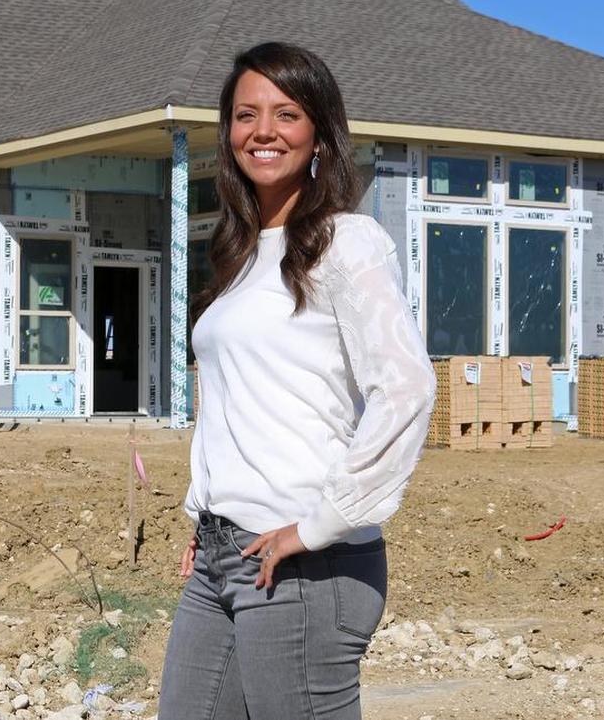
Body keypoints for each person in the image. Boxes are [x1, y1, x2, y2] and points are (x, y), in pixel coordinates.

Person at [158, 42, 435, 720]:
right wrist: (205, 507)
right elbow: (238, 400)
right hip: (227, 554)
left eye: (287, 114)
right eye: (246, 114)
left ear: (318, 135)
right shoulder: (241, 254)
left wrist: (322, 522)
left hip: (307, 567)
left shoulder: (345, 242)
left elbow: (406, 386)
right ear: (227, 134)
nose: (264, 130)